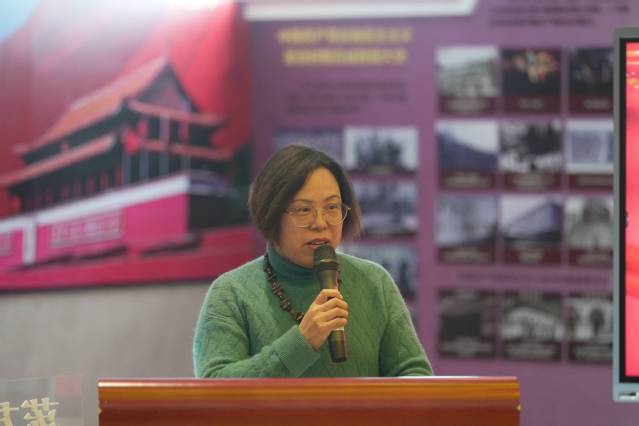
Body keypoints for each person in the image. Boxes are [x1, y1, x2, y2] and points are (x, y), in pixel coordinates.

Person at [193, 145, 433, 377]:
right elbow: (214, 387)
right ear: (270, 213)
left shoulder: (374, 281)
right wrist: (301, 343)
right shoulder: (231, 293)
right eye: (303, 210)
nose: (320, 223)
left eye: (332, 207)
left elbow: (415, 375)